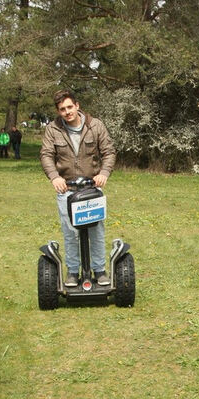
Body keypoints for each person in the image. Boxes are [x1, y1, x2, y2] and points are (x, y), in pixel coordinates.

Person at [40, 89, 116, 288]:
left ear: (77, 105)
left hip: (92, 188)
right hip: (67, 189)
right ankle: (73, 272)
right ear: (58, 111)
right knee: (70, 232)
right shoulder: (53, 129)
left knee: (96, 231)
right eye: (62, 109)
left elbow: (108, 152)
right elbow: (46, 155)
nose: (67, 112)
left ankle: (99, 270)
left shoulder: (95, 125)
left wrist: (104, 173)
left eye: (69, 107)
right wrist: (54, 177)